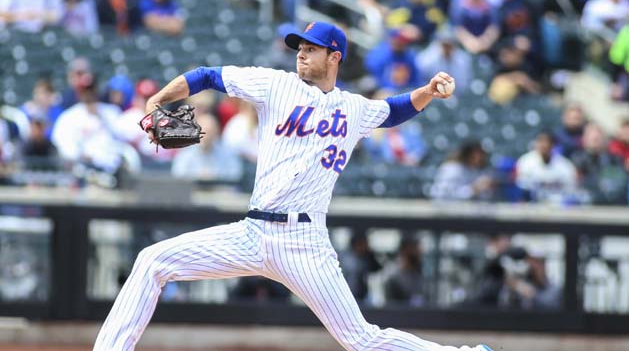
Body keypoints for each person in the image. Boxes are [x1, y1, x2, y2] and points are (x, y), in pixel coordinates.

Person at [92, 21, 492, 351]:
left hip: (305, 243)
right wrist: (158, 99)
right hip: (251, 232)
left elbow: (392, 111)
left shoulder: (354, 108)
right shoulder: (275, 85)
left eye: (313, 48)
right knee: (151, 262)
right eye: (299, 46)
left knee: (361, 340)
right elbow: (208, 76)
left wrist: (426, 92)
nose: (301, 52)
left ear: (335, 57)